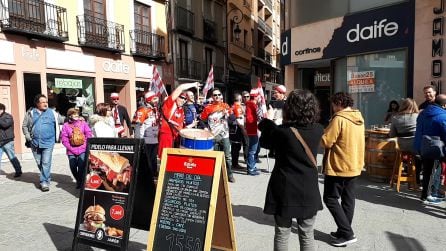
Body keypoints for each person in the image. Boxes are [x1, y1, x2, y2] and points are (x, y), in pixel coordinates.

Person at [259, 89, 323, 251]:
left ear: (290, 108)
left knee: (282, 233)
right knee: (307, 233)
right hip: (308, 188)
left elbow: (265, 143)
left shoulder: (282, 132)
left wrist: (268, 122)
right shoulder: (318, 129)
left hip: (284, 188)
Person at [321, 92, 364, 247]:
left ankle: (347, 233)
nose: (332, 107)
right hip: (354, 164)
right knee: (348, 199)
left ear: (338, 103)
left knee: (330, 198)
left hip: (339, 165)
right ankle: (343, 230)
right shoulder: (358, 117)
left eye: (333, 104)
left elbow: (326, 141)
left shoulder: (339, 118)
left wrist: (321, 132)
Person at [22, 94, 64, 192]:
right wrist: (28, 137)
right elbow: (24, 126)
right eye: (43, 102)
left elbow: (62, 120)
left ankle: (44, 182)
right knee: (39, 162)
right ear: (37, 103)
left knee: (45, 162)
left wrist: (72, 117)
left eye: (46, 102)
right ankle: (46, 177)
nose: (45, 104)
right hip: (34, 143)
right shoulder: (30, 113)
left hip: (49, 142)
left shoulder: (52, 113)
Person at [414, 94, 446, 204]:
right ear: (444, 105)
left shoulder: (423, 113)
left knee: (428, 171)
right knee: (435, 171)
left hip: (423, 146)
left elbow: (418, 131)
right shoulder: (443, 116)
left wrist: (417, 147)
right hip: (438, 147)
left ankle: (425, 195)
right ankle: (433, 193)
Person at [200, 88, 235, 183]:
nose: (217, 97)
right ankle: (214, 175)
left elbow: (233, 119)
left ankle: (229, 174)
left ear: (222, 96)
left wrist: (228, 115)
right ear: (212, 97)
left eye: (219, 95)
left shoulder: (225, 106)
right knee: (214, 156)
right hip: (213, 136)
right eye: (215, 95)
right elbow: (201, 120)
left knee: (227, 156)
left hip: (224, 135)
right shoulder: (208, 108)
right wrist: (205, 128)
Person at [158, 82, 200, 158]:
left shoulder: (181, 110)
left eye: (185, 99)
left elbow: (181, 129)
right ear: (176, 97)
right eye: (182, 98)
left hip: (176, 138)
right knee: (164, 159)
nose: (184, 100)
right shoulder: (169, 104)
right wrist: (193, 84)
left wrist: (191, 126)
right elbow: (180, 88)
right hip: (166, 135)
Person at [389, 98, 421, 184]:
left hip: (402, 146)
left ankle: (407, 173)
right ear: (414, 106)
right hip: (415, 146)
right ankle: (416, 179)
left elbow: (391, 135)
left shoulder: (395, 117)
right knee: (421, 156)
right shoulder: (418, 116)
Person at [60, 108, 92, 189]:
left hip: (82, 149)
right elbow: (64, 139)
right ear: (70, 116)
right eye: (74, 114)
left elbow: (88, 133)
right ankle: (78, 180)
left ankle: (81, 182)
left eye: (77, 114)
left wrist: (85, 145)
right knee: (73, 166)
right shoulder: (66, 125)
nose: (76, 115)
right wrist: (70, 148)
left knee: (81, 165)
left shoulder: (83, 123)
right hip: (71, 150)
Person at [133, 91, 160, 177]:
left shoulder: (154, 109)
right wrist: (138, 141)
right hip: (145, 140)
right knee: (146, 160)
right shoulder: (142, 110)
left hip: (154, 138)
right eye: (154, 99)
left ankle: (154, 174)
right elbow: (137, 126)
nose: (157, 100)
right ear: (148, 100)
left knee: (153, 159)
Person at [0, 103, 23, 178]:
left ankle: (18, 170)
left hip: (7, 141)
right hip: (0, 141)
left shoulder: (8, 116)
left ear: (2, 109)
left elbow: (5, 125)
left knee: (12, 157)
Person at [245, 89, 262, 176]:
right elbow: (253, 117)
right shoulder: (251, 104)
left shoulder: (252, 104)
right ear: (256, 96)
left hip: (255, 129)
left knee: (256, 149)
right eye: (259, 96)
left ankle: (252, 165)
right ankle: (250, 168)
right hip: (253, 130)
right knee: (253, 150)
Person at [267, 84, 287, 158]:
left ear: (281, 93)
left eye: (276, 93)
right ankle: (271, 152)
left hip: (284, 124)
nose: (274, 94)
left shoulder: (288, 102)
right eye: (274, 93)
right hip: (274, 124)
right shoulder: (272, 102)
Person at [229, 93, 247, 169]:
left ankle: (235, 163)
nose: (240, 101)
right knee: (236, 147)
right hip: (236, 129)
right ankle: (235, 164)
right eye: (239, 100)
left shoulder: (236, 107)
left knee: (236, 147)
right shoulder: (234, 107)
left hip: (236, 129)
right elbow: (236, 119)